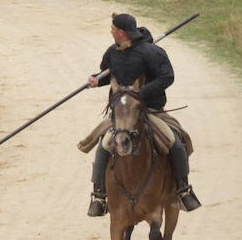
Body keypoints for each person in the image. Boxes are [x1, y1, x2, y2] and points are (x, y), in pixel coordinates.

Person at [84, 13, 201, 217]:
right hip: (121, 115)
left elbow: (167, 77)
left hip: (150, 111)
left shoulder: (152, 52)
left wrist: (141, 94)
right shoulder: (113, 52)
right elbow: (108, 74)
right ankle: (100, 196)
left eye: (112, 29)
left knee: (175, 142)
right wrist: (96, 80)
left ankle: (183, 190)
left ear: (121, 32)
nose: (110, 32)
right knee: (103, 147)